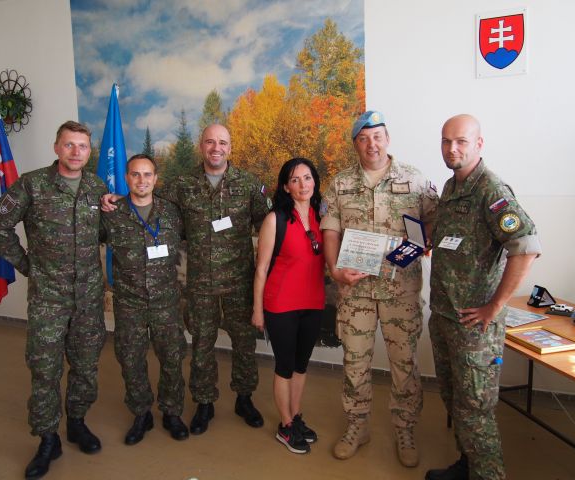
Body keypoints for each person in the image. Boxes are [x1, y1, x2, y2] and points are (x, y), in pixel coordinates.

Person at [101, 124, 269, 434]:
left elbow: (268, 224)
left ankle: (244, 398)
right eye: (210, 142)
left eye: (222, 143)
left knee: (244, 344)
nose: (216, 148)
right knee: (202, 345)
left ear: (230, 148)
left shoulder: (248, 184)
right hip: (200, 284)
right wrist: (115, 200)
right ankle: (204, 403)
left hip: (240, 283)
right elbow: (145, 203)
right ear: (201, 146)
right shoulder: (182, 185)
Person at [0, 121, 107, 479]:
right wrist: (28, 265)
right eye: (69, 145)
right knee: (45, 370)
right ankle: (47, 439)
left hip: (88, 297)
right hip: (48, 300)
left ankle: (77, 423)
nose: (76, 152)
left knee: (86, 366)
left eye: (82, 146)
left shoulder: (96, 187)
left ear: (89, 151)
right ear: (57, 147)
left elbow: (104, 232)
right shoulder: (32, 184)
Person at [426, 114, 541, 480]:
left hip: (474, 327)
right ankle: (468, 465)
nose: (452, 148)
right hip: (445, 316)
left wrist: (495, 306)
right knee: (454, 400)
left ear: (479, 144)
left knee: (475, 410)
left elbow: (525, 246)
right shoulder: (451, 187)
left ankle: (489, 475)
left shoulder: (491, 190)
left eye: (460, 141)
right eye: (446, 141)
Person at [321, 111, 438, 466]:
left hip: (401, 290)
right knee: (354, 361)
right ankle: (357, 425)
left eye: (377, 136)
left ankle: (405, 429)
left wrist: (419, 244)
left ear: (387, 138)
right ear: (355, 143)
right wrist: (334, 270)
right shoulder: (340, 183)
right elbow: (330, 230)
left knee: (404, 364)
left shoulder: (415, 180)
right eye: (363, 138)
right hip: (355, 292)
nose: (371, 144)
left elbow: (433, 224)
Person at [102, 154, 188, 445]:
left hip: (166, 303)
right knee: (131, 360)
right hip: (130, 304)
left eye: (147, 174)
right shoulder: (111, 213)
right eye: (135, 174)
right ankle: (141, 413)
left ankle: (172, 412)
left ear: (155, 178)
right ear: (127, 178)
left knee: (172, 358)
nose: (142, 180)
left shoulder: (172, 212)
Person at [252, 158, 326, 454]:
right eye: (295, 180)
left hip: (313, 302)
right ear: (285, 187)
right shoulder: (276, 219)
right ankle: (285, 425)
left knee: (301, 365)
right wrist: (257, 310)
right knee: (284, 367)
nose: (302, 184)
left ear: (315, 181)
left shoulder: (323, 217)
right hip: (281, 304)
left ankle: (295, 417)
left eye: (307, 178)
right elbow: (261, 269)